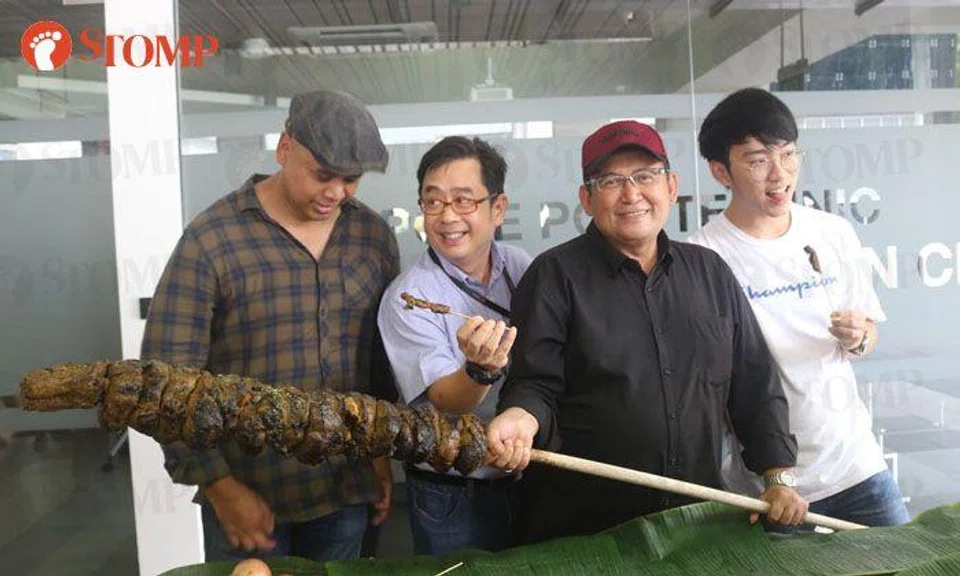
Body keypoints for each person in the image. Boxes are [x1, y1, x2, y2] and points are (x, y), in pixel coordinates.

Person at [484, 119, 808, 545]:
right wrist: (520, 418)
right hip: (586, 530)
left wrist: (777, 476)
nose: (631, 193)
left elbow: (754, 384)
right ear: (586, 198)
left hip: (695, 526)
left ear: (671, 186)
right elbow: (535, 383)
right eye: (612, 181)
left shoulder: (710, 273)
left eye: (645, 176)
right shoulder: (554, 276)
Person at [141, 90, 400, 562]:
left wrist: (379, 457)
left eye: (351, 179)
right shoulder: (214, 239)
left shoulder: (372, 236)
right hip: (250, 495)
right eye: (322, 175)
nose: (336, 193)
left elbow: (379, 365)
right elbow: (165, 383)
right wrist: (219, 486)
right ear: (284, 149)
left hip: (346, 491)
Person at [687, 87, 909, 527]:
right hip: (767, 488)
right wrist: (771, 475)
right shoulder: (702, 257)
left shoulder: (833, 232)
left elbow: (867, 336)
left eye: (788, 155)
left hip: (857, 466)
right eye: (757, 160)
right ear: (720, 171)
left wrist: (860, 336)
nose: (779, 174)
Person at [378, 136, 532, 555]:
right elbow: (446, 399)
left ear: (497, 208)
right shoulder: (407, 296)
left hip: (528, 477)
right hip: (452, 490)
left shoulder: (523, 268)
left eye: (464, 201)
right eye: (433, 202)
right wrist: (480, 370)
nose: (447, 217)